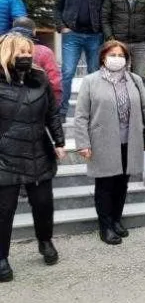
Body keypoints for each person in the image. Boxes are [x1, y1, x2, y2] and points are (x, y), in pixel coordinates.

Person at [73, 40, 145, 245]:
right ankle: (105, 226)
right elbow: (81, 116)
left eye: (121, 55)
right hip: (102, 142)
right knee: (105, 185)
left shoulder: (135, 80)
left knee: (122, 184)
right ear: (103, 57)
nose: (117, 59)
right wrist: (83, 143)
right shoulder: (91, 81)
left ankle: (116, 219)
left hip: (130, 141)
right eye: (113, 54)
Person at [0, 34, 65, 282]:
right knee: (4, 211)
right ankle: (1, 257)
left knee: (43, 205)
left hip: (39, 152)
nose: (27, 56)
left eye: (29, 52)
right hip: (4, 155)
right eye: (21, 52)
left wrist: (59, 142)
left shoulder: (40, 79)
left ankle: (45, 241)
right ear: (7, 52)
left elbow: (52, 114)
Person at [55, 0, 110, 118]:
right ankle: (62, 111)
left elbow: (108, 12)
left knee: (94, 74)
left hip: (95, 36)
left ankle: (93, 111)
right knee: (67, 72)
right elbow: (57, 8)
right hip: (72, 35)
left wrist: (106, 34)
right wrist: (62, 27)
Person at [8, 17, 62, 106]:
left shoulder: (4, 50)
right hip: (36, 105)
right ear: (34, 31)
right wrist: (54, 106)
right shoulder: (44, 52)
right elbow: (54, 83)